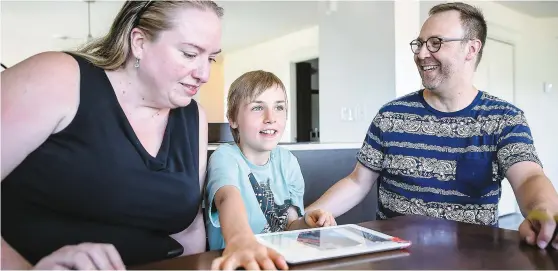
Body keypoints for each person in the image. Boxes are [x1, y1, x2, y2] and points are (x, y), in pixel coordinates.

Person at [306, 1, 558, 250]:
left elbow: (529, 177)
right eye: (420, 43)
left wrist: (545, 209)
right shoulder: (390, 115)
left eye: (436, 42)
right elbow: (358, 181)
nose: (421, 53)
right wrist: (312, 213)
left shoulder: (504, 118)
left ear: (471, 48)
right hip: (394, 259)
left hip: (472, 261)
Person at [1, 0, 223, 269]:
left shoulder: (193, 116)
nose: (204, 74)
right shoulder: (58, 77)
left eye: (211, 58)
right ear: (139, 42)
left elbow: (188, 231)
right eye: (189, 54)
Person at [205, 70, 336, 270]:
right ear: (233, 118)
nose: (270, 117)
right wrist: (241, 240)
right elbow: (226, 197)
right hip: (235, 263)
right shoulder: (225, 157)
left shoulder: (288, 161)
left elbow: (289, 225)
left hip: (277, 262)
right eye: (258, 107)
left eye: (279, 107)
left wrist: (308, 224)